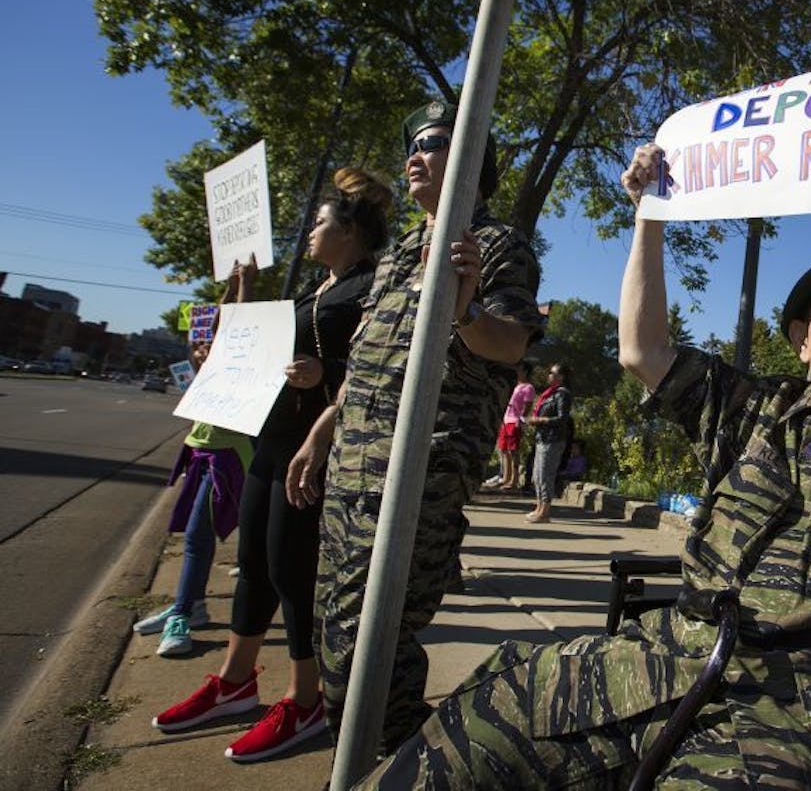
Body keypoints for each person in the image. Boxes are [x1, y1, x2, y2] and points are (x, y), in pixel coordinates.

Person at [354, 48, 811, 788]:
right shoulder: (748, 409)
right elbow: (642, 348)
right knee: (480, 722)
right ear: (799, 340)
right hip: (669, 661)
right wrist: (649, 214)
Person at [291, 100, 543, 754]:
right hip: (351, 466)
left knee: (366, 640)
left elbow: (512, 344)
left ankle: (390, 760)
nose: (414, 157)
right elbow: (369, 359)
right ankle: (393, 760)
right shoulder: (403, 250)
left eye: (432, 144)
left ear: (470, 162)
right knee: (333, 632)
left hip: (418, 469)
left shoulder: (494, 246)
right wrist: (322, 434)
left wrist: (464, 312)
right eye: (415, 145)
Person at [150, 168, 393, 762]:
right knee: (254, 561)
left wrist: (325, 374)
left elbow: (378, 367)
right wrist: (240, 296)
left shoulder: (368, 288)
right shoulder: (315, 292)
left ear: (351, 231)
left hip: (315, 447)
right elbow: (254, 345)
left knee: (291, 568)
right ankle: (235, 681)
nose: (309, 232)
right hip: (271, 440)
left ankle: (304, 699)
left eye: (319, 223)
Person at [133, 259, 255, 657]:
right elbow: (208, 328)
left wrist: (245, 286)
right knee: (195, 538)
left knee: (200, 537)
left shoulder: (240, 361)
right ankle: (189, 605)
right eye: (201, 343)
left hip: (228, 455)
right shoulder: (204, 360)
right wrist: (231, 285)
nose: (203, 348)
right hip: (202, 450)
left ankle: (185, 612)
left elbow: (233, 325)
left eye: (212, 342)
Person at [525, 362, 572, 523]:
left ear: (561, 377)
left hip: (553, 440)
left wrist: (540, 420)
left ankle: (545, 512)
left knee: (546, 476)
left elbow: (562, 418)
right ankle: (539, 507)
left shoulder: (562, 394)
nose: (549, 375)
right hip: (542, 438)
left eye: (552, 373)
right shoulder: (549, 394)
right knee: (537, 475)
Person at [483, 359, 536, 490]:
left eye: (519, 369)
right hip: (506, 419)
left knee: (513, 451)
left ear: (525, 371)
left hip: (515, 421)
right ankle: (506, 477)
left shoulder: (528, 387)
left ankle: (514, 480)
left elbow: (528, 405)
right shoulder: (515, 385)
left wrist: (521, 419)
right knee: (503, 449)